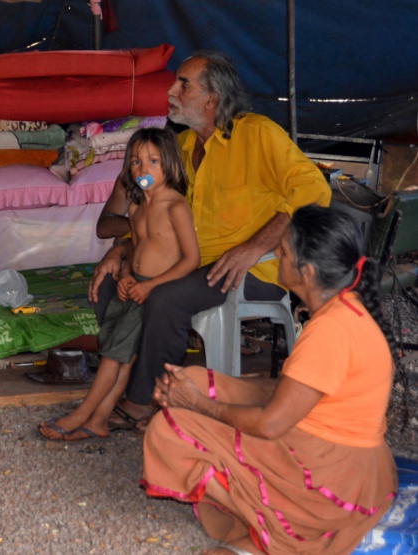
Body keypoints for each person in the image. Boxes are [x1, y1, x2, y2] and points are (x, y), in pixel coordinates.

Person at [142, 204, 400, 554]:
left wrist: (195, 403)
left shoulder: (332, 331)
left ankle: (268, 524)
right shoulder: (343, 308)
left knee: (168, 429)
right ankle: (257, 506)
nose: (277, 253)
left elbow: (269, 424)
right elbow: (291, 390)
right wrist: (199, 389)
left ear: (307, 272)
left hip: (330, 480)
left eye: (284, 252)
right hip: (343, 462)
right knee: (197, 378)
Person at [96, 51, 332, 430]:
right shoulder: (183, 147)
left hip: (252, 269)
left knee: (164, 297)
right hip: (193, 262)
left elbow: (314, 189)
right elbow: (157, 219)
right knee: (110, 283)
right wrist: (123, 249)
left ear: (212, 98)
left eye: (182, 84)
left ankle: (144, 401)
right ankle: (122, 370)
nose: (171, 91)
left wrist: (254, 247)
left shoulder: (257, 133)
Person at [38, 127, 200, 441]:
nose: (143, 169)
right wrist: (126, 274)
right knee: (122, 356)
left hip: (151, 290)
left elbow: (190, 260)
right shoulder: (137, 207)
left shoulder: (176, 207)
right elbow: (135, 248)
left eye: (153, 161)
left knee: (114, 355)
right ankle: (100, 419)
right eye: (136, 162)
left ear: (170, 164)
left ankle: (82, 413)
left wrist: (152, 287)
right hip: (133, 285)